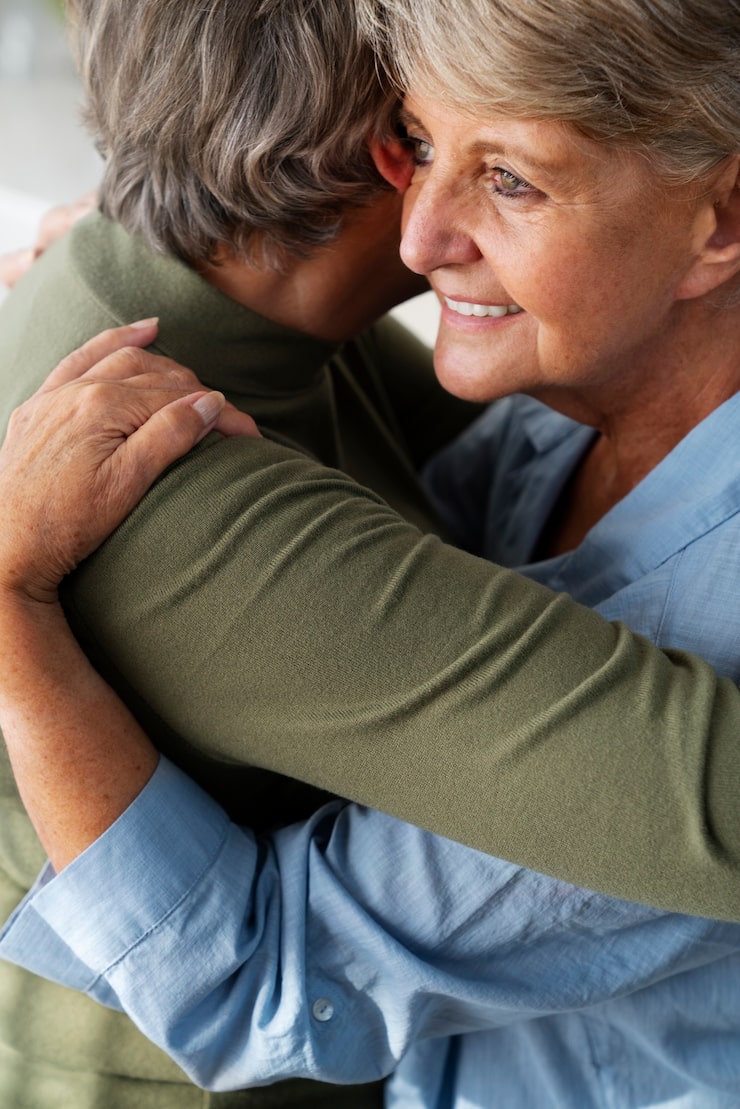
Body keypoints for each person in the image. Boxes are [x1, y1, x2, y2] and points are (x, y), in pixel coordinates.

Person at [2, 0, 740, 1103]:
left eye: (508, 177)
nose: (418, 234)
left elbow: (261, 981)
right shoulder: (571, 383)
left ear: (718, 219)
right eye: (422, 143)